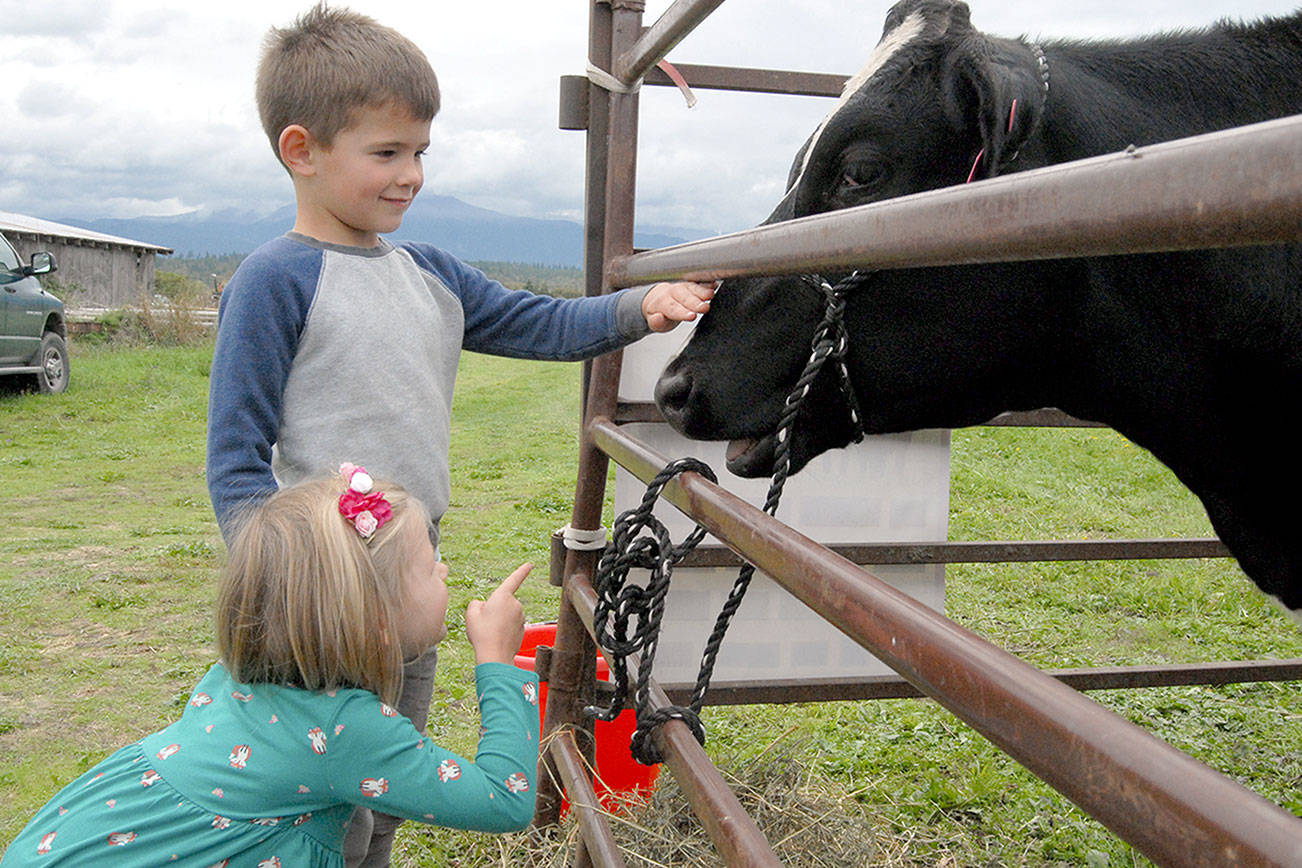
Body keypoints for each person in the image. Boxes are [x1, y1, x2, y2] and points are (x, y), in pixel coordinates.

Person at [204, 5, 713, 864]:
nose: (411, 175)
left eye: (421, 152)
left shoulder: (430, 272)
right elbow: (236, 460)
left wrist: (640, 306)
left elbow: (542, 323)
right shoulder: (273, 281)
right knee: (314, 791)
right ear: (302, 150)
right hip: (320, 588)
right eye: (387, 153)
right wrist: (287, 587)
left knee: (386, 780)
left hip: (408, 572)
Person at [1, 467, 537, 867]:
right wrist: (497, 661)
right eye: (427, 565)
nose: (443, 570)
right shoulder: (347, 730)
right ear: (376, 621)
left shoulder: (234, 681)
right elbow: (506, 799)